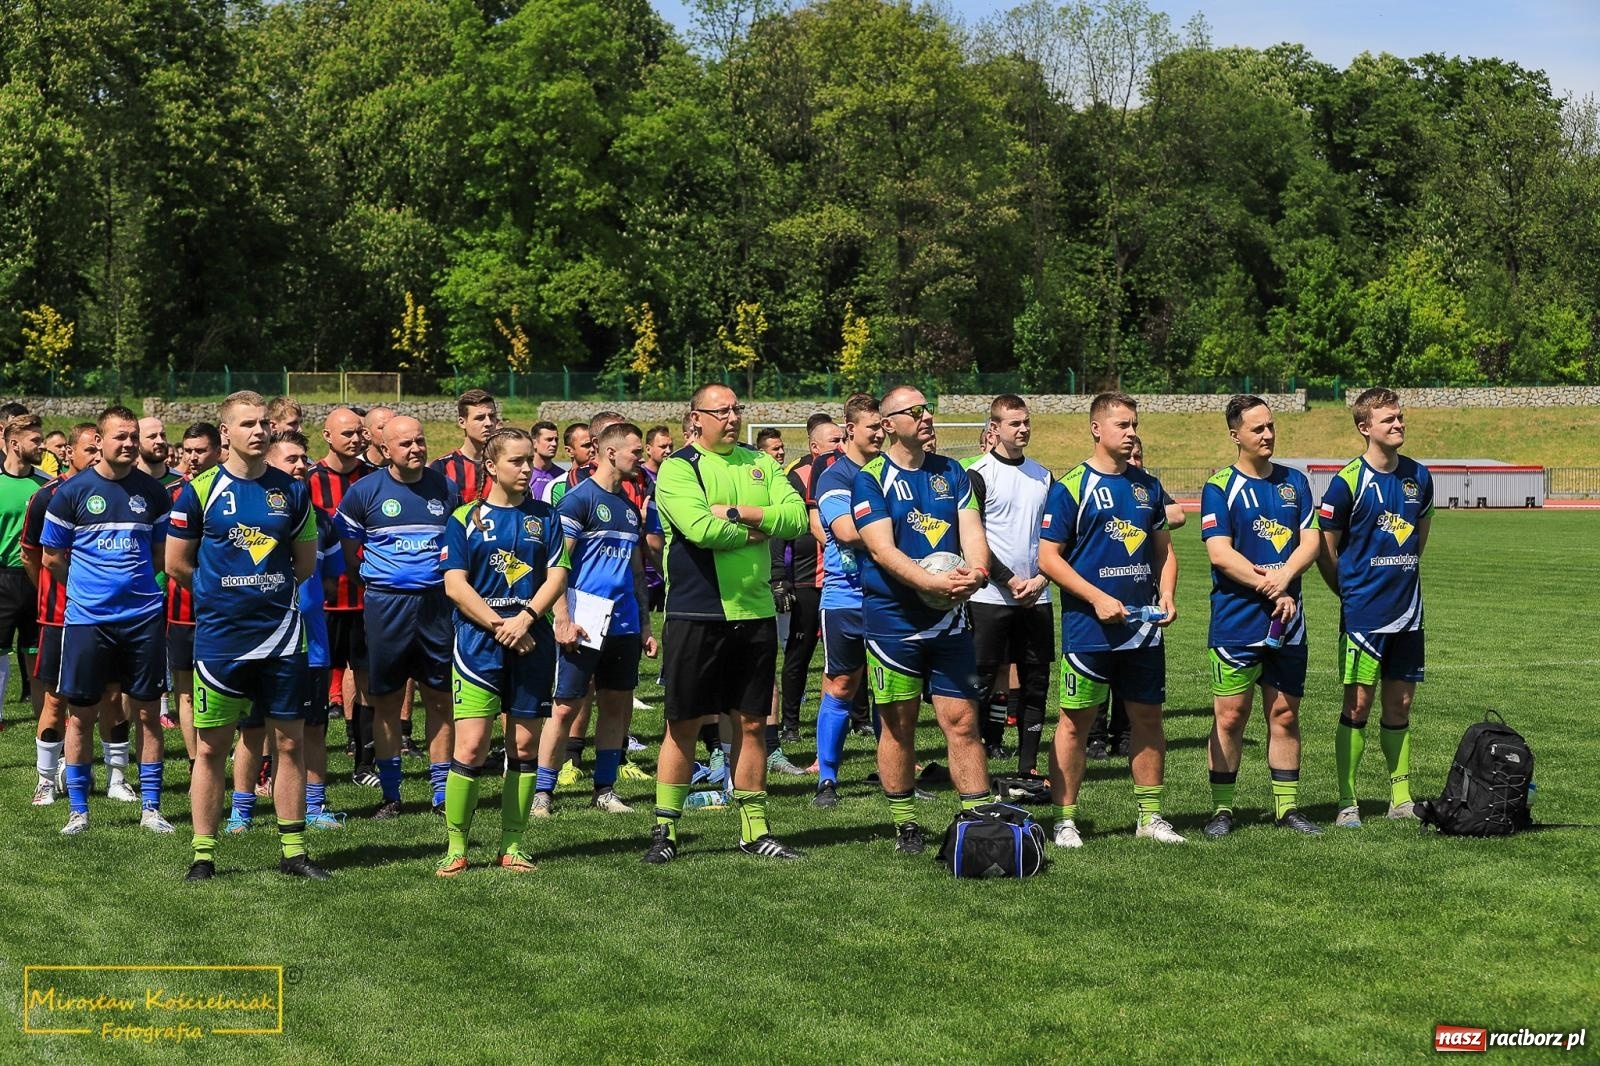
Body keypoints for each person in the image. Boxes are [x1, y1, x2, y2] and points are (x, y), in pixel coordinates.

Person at [645, 384, 808, 863]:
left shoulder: (761, 461)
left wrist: (739, 514)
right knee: (684, 724)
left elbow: (797, 517)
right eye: (721, 411)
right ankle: (665, 831)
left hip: (755, 612)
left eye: (737, 409)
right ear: (696, 417)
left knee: (753, 723)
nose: (732, 417)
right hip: (697, 613)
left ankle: (755, 830)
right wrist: (759, 529)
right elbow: (699, 529)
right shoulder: (679, 467)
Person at [166, 395, 326, 881]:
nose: (259, 431)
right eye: (248, 424)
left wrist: (266, 593)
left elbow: (304, 563)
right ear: (225, 431)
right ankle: (203, 854)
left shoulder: (292, 492)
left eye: (264, 424)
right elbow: (176, 563)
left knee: (290, 744)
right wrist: (218, 596)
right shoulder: (199, 491)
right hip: (221, 639)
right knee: (212, 748)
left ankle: (294, 851)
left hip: (280, 636)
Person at [1036, 392, 1183, 848]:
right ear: (1097, 429)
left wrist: (1169, 596)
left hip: (1142, 629)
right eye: (1122, 424)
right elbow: (1047, 559)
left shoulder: (1148, 486)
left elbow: (1164, 551)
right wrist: (1097, 598)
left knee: (1147, 718)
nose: (1132, 432)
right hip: (1089, 630)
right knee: (1076, 722)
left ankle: (1150, 816)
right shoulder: (1071, 487)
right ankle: (1064, 820)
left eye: (1134, 424)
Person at [853, 386, 994, 855]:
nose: (926, 416)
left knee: (962, 721)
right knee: (898, 724)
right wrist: (929, 584)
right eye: (914, 411)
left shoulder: (952, 471)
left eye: (927, 407)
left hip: (950, 622)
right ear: (889, 423)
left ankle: (978, 819)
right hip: (894, 623)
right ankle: (906, 824)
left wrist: (975, 573)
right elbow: (880, 547)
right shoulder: (871, 478)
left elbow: (972, 531)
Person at [437, 428, 570, 875]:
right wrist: (501, 626)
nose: (527, 468)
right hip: (479, 641)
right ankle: (457, 846)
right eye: (517, 461)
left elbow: (556, 576)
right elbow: (455, 585)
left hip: (532, 638)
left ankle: (512, 844)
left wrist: (527, 619)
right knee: (472, 745)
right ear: (491, 466)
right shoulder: (464, 518)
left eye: (529, 460)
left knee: (525, 743)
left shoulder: (545, 516)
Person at [41, 405, 173, 835]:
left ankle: (151, 807)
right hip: (87, 621)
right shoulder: (72, 492)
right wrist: (90, 590)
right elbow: (52, 557)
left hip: (143, 619)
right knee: (80, 715)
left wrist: (134, 589)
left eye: (133, 436)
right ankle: (79, 810)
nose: (129, 443)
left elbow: (159, 554)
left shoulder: (154, 493)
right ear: (99, 440)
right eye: (120, 436)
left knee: (149, 714)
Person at [1200, 396, 1322, 837]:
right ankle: (1222, 809)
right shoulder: (1219, 487)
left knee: (1285, 715)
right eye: (1257, 429)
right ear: (1236, 435)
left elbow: (1310, 540)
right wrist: (1270, 585)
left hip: (1289, 618)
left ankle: (1286, 808)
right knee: (1231, 716)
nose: (1268, 435)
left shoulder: (1296, 482)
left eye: (1270, 426)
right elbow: (1220, 554)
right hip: (1237, 618)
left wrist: (1286, 576)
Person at [1316, 387, 1434, 828]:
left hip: (1409, 612)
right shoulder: (1347, 482)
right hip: (1365, 615)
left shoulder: (1419, 477)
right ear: (1365, 428)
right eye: (1389, 420)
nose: (1399, 424)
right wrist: (1349, 593)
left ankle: (1399, 797)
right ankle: (1347, 801)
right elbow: (1327, 549)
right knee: (1358, 706)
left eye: (1400, 417)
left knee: (1400, 705)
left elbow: (1419, 537)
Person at [336, 415, 460, 818]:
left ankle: (442, 794)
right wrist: (379, 583)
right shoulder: (364, 492)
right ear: (385, 449)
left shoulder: (447, 488)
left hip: (436, 606)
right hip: (386, 606)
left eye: (420, 441)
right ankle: (392, 796)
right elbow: (349, 553)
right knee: (387, 699)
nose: (415, 449)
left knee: (440, 698)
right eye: (405, 443)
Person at [539, 421, 658, 815]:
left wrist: (644, 625)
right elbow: (557, 566)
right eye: (635, 452)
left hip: (623, 624)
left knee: (616, 704)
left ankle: (604, 788)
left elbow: (638, 573)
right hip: (584, 621)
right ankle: (543, 792)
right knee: (564, 706)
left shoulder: (628, 508)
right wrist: (562, 618)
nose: (640, 458)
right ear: (610, 453)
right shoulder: (577, 501)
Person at [262, 429, 349, 831]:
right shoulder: (254, 516)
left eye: (303, 459)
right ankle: (241, 809)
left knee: (313, 728)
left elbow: (330, 581)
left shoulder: (323, 520)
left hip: (310, 643)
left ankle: (314, 805)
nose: (300, 466)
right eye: (290, 459)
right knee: (253, 730)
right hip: (260, 640)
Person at [965, 395, 1055, 778]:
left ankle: (1028, 767)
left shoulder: (1044, 475)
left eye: (1026, 422)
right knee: (982, 683)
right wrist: (1009, 578)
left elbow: (1059, 538)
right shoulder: (978, 474)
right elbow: (973, 537)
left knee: (1035, 683)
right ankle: (977, 762)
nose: (1023, 429)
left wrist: (1041, 578)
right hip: (989, 596)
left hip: (1037, 595)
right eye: (1014, 423)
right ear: (994, 428)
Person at [809, 393, 883, 808]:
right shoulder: (835, 476)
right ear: (851, 429)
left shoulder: (890, 473)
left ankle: (893, 773)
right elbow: (846, 531)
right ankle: (828, 779)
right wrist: (890, 528)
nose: (880, 434)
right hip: (845, 598)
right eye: (873, 427)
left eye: (882, 426)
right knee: (841, 683)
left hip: (889, 596)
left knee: (890, 687)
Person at [21, 423, 101, 805]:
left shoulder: (113, 493)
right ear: (70, 452)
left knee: (96, 702)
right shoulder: (46, 497)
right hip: (58, 617)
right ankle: (45, 780)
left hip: (101, 617)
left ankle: (81, 773)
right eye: (90, 450)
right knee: (54, 701)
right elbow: (31, 556)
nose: (97, 458)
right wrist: (54, 593)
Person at [309, 407, 378, 778]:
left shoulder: (375, 480)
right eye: (346, 433)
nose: (354, 439)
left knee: (367, 680)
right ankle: (309, 767)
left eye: (358, 433)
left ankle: (363, 760)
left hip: (366, 599)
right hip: (322, 602)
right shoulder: (306, 480)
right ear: (327, 435)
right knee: (315, 682)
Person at [775, 417, 842, 745]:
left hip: (842, 579)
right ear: (814, 447)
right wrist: (778, 577)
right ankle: (790, 723)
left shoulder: (851, 471)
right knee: (799, 653)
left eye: (842, 439)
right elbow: (780, 529)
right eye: (833, 441)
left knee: (846, 653)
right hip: (807, 580)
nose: (839, 446)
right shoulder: (797, 477)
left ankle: (858, 720)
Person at [166, 422, 221, 763]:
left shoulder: (233, 490)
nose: (193, 457)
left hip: (227, 609)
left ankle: (239, 758)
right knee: (185, 692)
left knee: (231, 689)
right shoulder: (170, 493)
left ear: (217, 450)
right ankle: (194, 763)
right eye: (188, 451)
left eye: (200, 450)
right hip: (181, 610)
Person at [0, 414, 51, 727]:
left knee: (37, 657)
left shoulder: (47, 485)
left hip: (37, 579)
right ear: (14, 444)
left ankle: (46, 727)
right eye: (35, 440)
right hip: (2, 577)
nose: (41, 445)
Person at [430, 388, 500, 501]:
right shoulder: (442, 467)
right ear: (462, 423)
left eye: (492, 416)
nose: (488, 423)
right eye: (480, 418)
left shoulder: (505, 464)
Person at [540, 422, 595, 504]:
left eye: (595, 444)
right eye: (587, 445)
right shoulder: (558, 486)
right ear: (569, 451)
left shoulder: (609, 480)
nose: (593, 449)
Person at [135, 417, 183, 486]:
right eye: (152, 436)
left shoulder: (181, 482)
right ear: (137, 441)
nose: (160, 441)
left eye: (162, 435)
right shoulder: (126, 483)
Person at [528, 420, 566, 504]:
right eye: (549, 439)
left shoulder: (562, 476)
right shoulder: (525, 473)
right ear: (534, 443)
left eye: (556, 439)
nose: (554, 444)